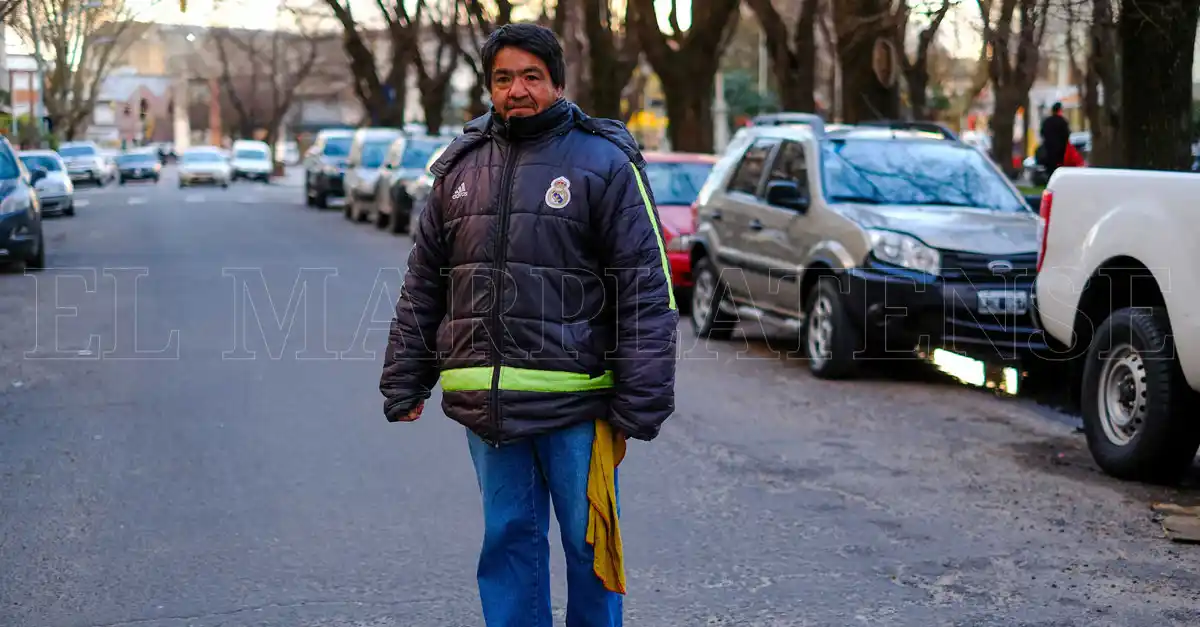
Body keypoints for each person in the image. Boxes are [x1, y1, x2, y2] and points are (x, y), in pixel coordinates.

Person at [379, 22, 678, 627]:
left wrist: (643, 396)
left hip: (578, 405)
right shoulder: (460, 168)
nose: (517, 90)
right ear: (490, 87)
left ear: (557, 83)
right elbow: (425, 283)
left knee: (591, 548)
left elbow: (646, 288)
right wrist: (406, 378)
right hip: (488, 406)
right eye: (503, 78)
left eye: (531, 76)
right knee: (508, 543)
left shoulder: (604, 162)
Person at [1038, 102, 1071, 178]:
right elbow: (1066, 135)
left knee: (1050, 171)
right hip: (1060, 152)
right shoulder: (1062, 122)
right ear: (1059, 110)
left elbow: (1042, 133)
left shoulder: (1047, 121)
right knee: (1059, 171)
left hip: (1048, 151)